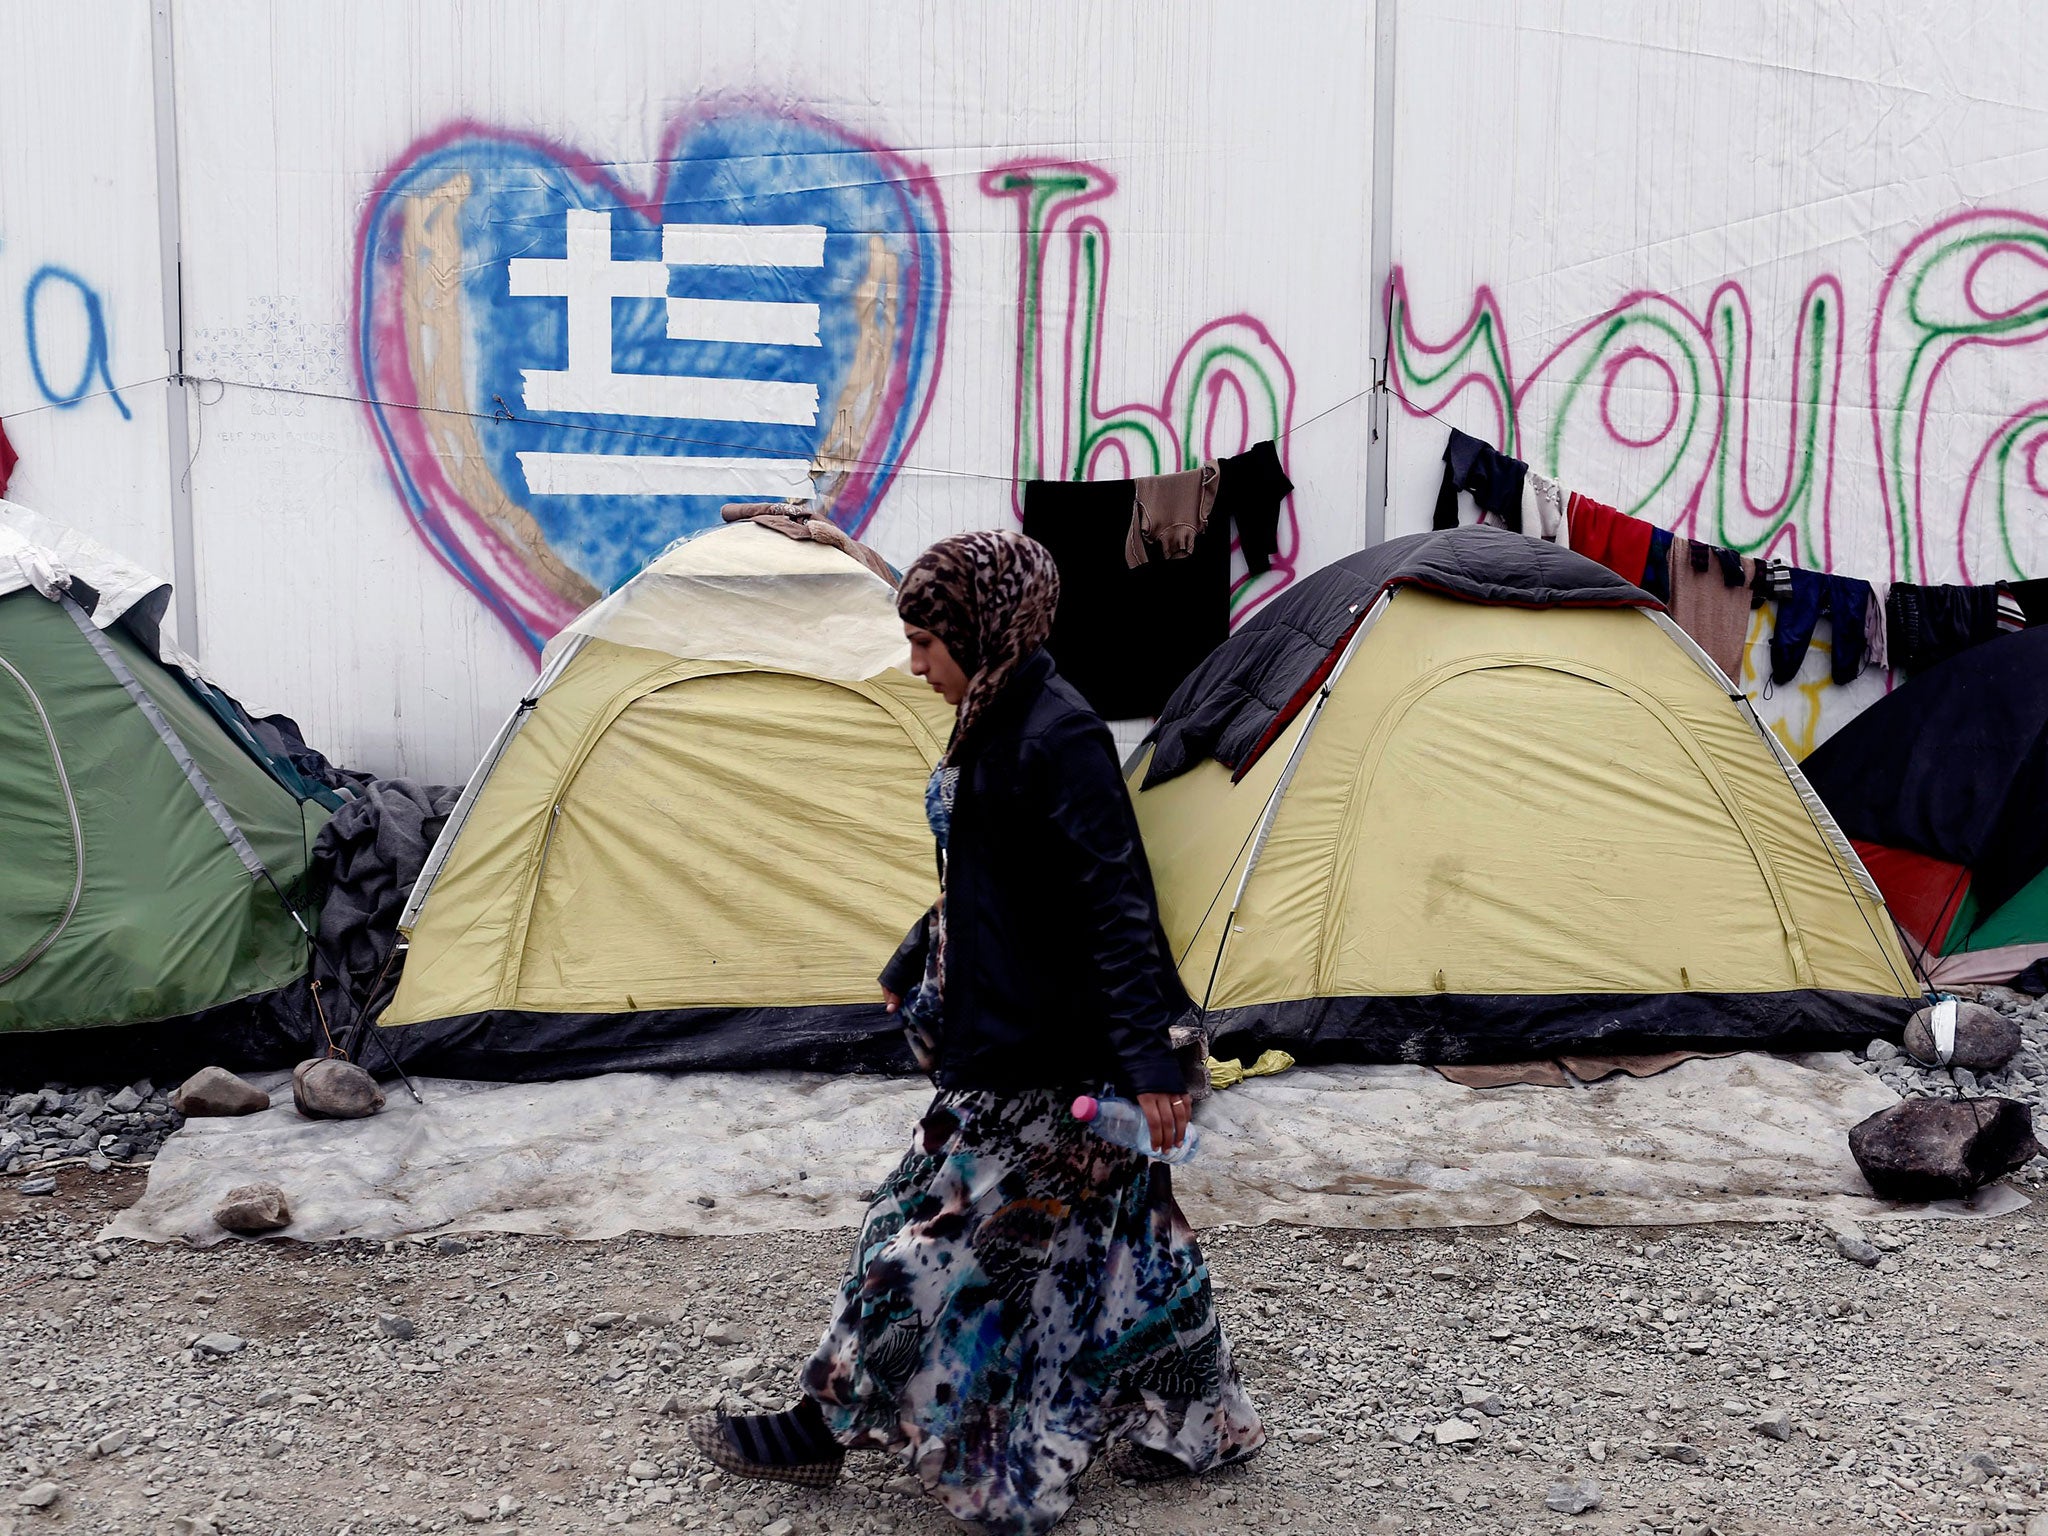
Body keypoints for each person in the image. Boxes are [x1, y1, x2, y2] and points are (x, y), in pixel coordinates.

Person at [687, 530, 1263, 1532]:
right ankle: (1202, 1424)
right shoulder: (994, 710)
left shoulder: (1058, 735)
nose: (914, 667)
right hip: (1006, 1041)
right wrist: (922, 964)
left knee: (920, 1252)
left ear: (985, 629)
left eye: (924, 643)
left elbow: (1115, 910)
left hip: (1050, 1068)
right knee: (1125, 1245)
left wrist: (1149, 1064)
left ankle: (829, 1435)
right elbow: (993, 880)